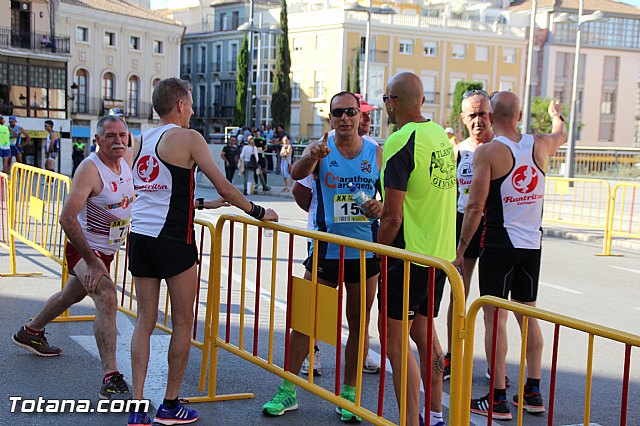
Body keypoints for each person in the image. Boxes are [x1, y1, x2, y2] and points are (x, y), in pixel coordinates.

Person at [127, 78, 277, 426]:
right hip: (173, 239)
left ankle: (136, 407)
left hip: (141, 236)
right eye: (191, 103)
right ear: (180, 104)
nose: (193, 110)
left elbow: (157, 191)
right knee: (182, 323)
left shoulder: (141, 139)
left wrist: (203, 204)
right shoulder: (189, 138)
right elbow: (224, 183)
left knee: (144, 322)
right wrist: (257, 211)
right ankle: (169, 404)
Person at [262, 91, 382, 422]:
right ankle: (287, 390)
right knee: (305, 322)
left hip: (363, 254)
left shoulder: (375, 152)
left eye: (350, 112)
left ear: (360, 117)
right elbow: (297, 175)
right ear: (331, 118)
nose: (345, 118)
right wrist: (311, 156)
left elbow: (387, 200)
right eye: (338, 113)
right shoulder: (321, 147)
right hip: (325, 250)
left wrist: (379, 207)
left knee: (358, 325)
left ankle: (349, 396)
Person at [455, 92, 567, 420]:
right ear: (518, 115)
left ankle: (498, 397)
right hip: (532, 247)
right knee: (528, 316)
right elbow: (562, 132)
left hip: (499, 246)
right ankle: (533, 391)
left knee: (495, 318)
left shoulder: (489, 152)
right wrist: (555, 112)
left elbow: (475, 207)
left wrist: (461, 250)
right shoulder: (542, 144)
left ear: (491, 117)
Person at [12, 115, 135, 401]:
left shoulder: (127, 157)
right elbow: (67, 218)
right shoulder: (90, 170)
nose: (118, 141)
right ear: (97, 140)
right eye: (110, 136)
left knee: (71, 295)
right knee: (106, 296)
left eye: (122, 135)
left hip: (108, 249)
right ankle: (111, 375)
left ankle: (31, 331)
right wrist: (93, 262)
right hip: (84, 249)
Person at [378, 72, 455, 426]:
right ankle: (435, 415)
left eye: (384, 101)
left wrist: (378, 251)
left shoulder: (399, 140)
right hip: (439, 257)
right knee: (424, 334)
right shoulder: (439, 134)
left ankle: (410, 420)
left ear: (393, 102)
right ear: (421, 101)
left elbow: (393, 217)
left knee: (395, 341)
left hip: (407, 257)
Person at [443, 90, 496, 383]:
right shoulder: (457, 151)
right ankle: (452, 355)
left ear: (492, 115)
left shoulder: (501, 149)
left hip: (491, 225)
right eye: (472, 115)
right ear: (463, 118)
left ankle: (494, 363)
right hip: (462, 223)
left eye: (483, 113)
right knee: (458, 295)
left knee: (491, 301)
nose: (479, 120)